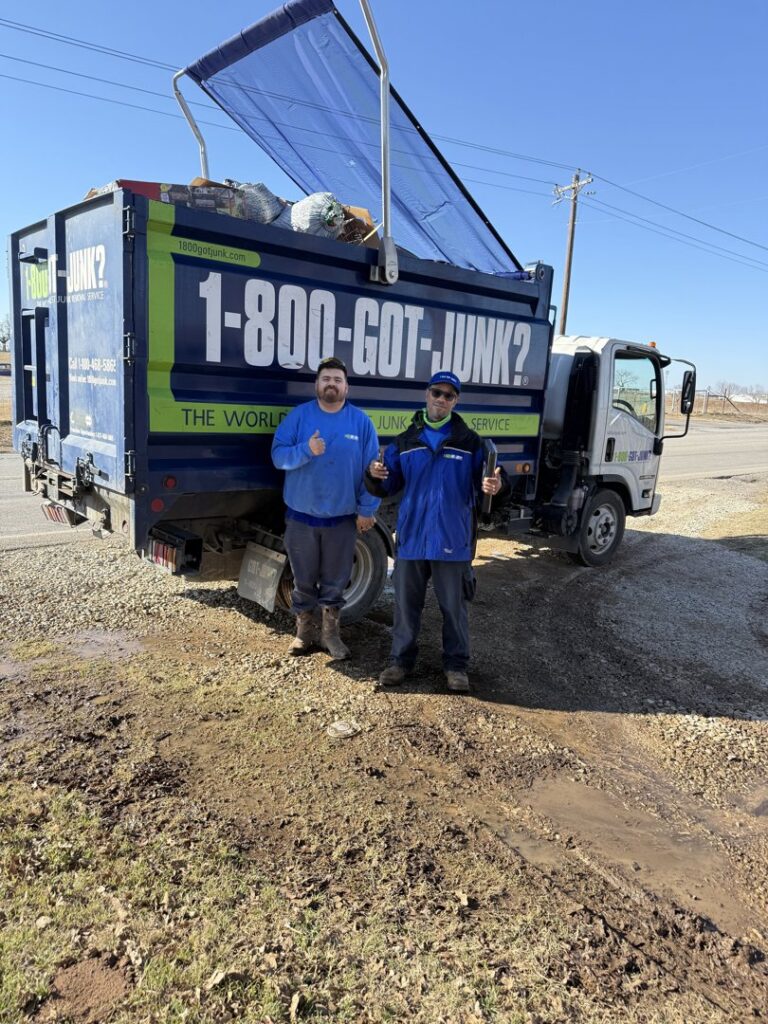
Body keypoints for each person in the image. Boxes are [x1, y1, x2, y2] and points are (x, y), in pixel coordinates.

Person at [366, 370, 503, 692]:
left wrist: (496, 485)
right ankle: (400, 662)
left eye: (449, 395)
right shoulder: (405, 442)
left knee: (454, 609)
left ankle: (456, 667)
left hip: (452, 541)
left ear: (456, 401)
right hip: (413, 539)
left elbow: (491, 482)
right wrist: (373, 474)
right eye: (437, 393)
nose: (442, 399)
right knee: (405, 607)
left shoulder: (472, 443)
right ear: (427, 395)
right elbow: (386, 486)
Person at [271, 357, 380, 660]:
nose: (331, 384)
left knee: (334, 581)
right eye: (326, 379)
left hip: (341, 520)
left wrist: (367, 509)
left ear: (346, 387)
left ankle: (331, 635)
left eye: (337, 379)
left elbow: (372, 471)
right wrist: (307, 449)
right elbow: (278, 457)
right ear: (317, 385)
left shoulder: (361, 422)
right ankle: (304, 634)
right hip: (301, 518)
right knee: (302, 579)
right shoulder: (298, 417)